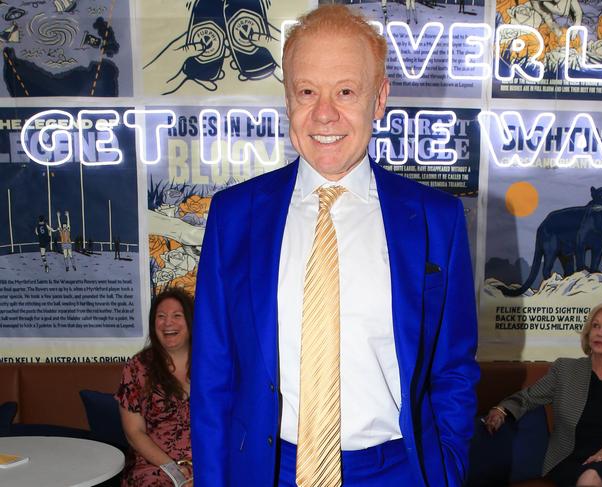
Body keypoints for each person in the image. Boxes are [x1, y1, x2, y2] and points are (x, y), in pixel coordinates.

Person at [192, 5, 478, 487]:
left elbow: (453, 369)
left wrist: (446, 469)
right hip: (269, 470)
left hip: (398, 470)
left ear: (379, 98)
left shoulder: (436, 220)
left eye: (346, 91)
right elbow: (213, 381)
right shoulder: (233, 217)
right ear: (288, 100)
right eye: (307, 92)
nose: (324, 113)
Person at [484, 301, 602, 487]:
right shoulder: (565, 369)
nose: (600, 333)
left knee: (595, 476)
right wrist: (501, 410)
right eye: (596, 326)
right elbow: (527, 398)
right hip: (569, 460)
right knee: (590, 478)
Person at [116, 288, 194, 486]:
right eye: (161, 316)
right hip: (156, 467)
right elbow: (134, 434)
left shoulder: (213, 365)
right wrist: (176, 473)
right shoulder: (137, 368)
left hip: (208, 464)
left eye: (177, 315)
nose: (168, 322)